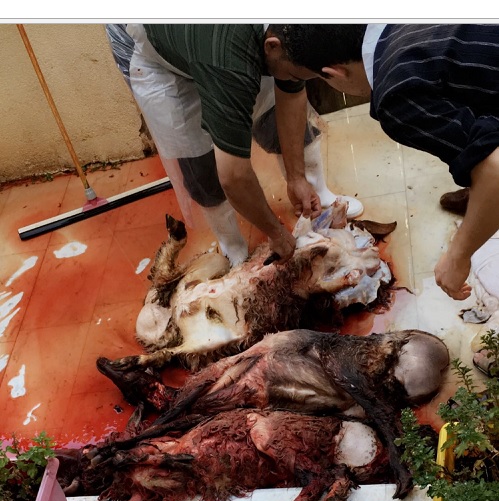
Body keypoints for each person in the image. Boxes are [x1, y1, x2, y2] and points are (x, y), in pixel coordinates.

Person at [106, 24, 363, 267]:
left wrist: (297, 178)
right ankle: (231, 245)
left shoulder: (289, 32)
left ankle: (318, 191)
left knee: (273, 108)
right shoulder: (227, 58)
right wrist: (276, 233)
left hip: (218, 44)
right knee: (199, 159)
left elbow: (291, 91)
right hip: (157, 53)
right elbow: (234, 175)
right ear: (272, 45)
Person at [276, 23, 499, 302]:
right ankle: (477, 190)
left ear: (334, 74)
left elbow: (496, 170)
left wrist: (458, 256)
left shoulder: (395, 96)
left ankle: (483, 198)